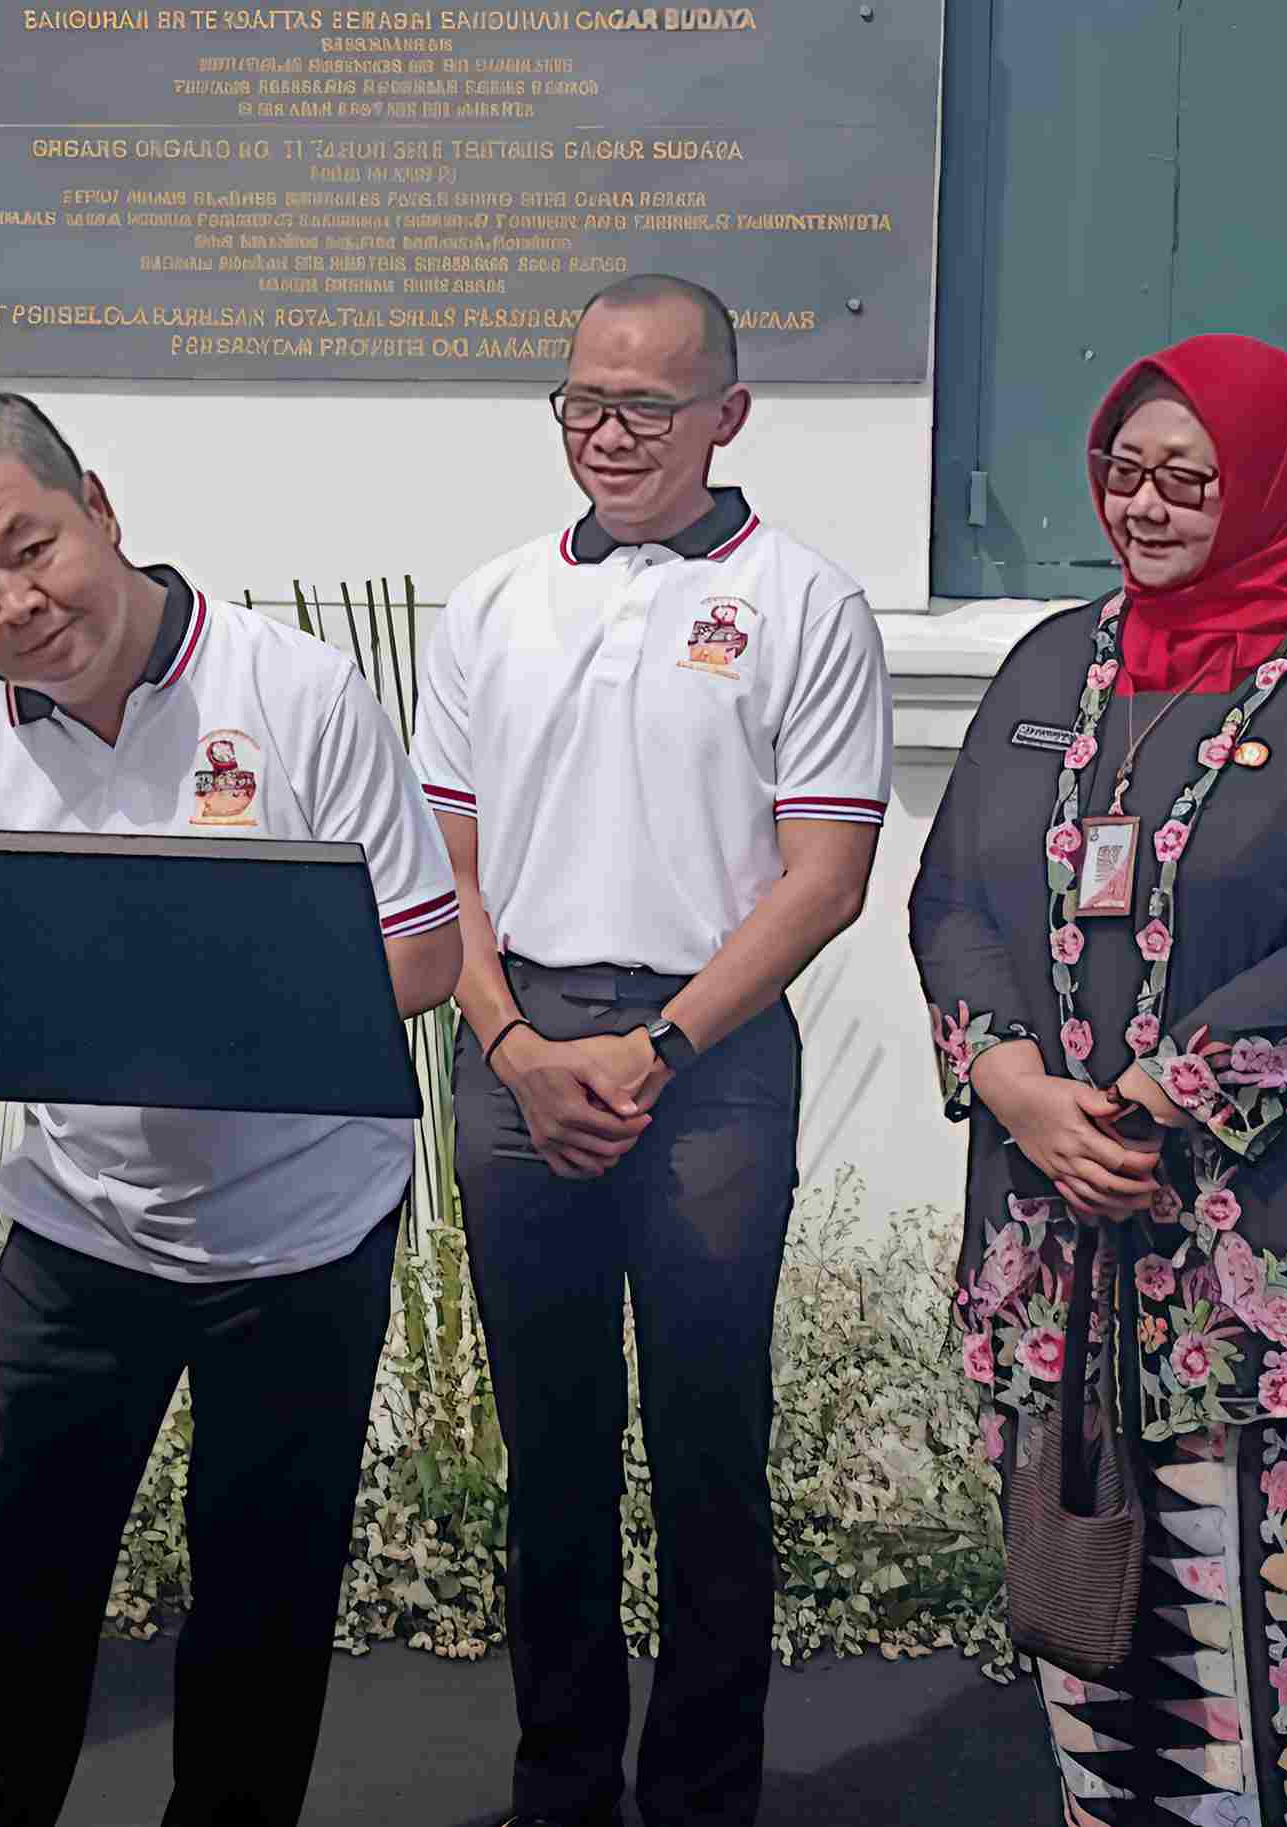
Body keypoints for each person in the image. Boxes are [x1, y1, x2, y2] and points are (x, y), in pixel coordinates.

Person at [910, 333, 1287, 1826]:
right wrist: (1019, 1087)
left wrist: (1161, 1098)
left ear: (1271, 479)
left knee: (1285, 1704)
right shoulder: (1055, 661)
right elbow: (952, 896)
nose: (1147, 508)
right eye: (1124, 473)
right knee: (1103, 1677)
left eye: (1191, 480)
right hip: (1070, 1272)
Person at [0, 387, 463, 1826]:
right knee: (28, 1604)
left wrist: (208, 1010)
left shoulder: (294, 692)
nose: (18, 602)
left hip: (302, 1236)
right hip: (77, 1235)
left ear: (100, 506)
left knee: (260, 1610)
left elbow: (425, 950)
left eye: (32, 548)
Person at [409, 274, 892, 1827]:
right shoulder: (489, 601)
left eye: (646, 406)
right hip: (517, 1045)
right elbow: (445, 864)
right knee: (549, 1447)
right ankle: (558, 1786)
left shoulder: (807, 603)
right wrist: (513, 1040)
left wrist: (660, 1048)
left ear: (728, 417)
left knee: (705, 1440)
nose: (608, 435)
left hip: (714, 1060)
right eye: (582, 403)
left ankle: (699, 1796)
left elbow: (825, 877)